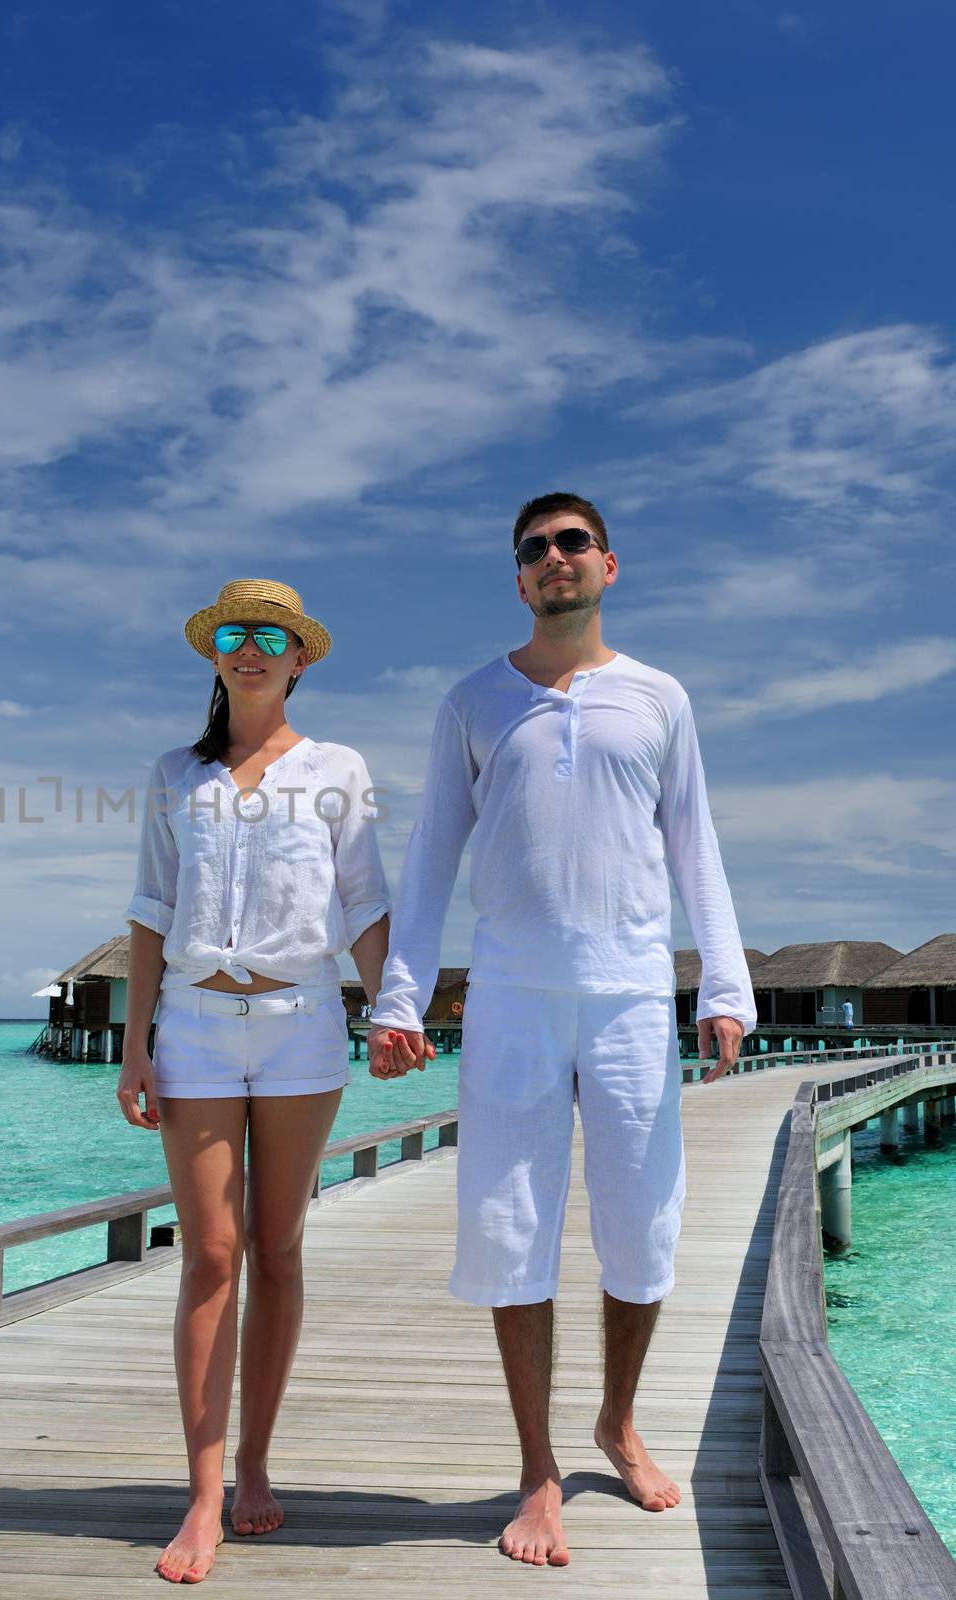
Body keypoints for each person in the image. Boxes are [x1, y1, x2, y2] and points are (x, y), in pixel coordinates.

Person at [368, 494, 756, 1570]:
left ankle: (616, 1422)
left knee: (641, 1227)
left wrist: (723, 984)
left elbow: (696, 847)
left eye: (570, 543)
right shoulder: (473, 701)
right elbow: (430, 855)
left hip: (632, 992)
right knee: (508, 1229)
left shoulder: (659, 697)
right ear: (519, 578)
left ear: (607, 565)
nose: (552, 559)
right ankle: (537, 1468)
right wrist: (398, 998)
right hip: (510, 995)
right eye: (533, 550)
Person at [118, 579, 391, 1584]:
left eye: (268, 636)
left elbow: (363, 900)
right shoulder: (173, 774)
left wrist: (392, 1011)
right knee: (210, 1253)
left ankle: (256, 1466)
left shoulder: (335, 770)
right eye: (232, 635)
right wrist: (135, 1040)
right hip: (191, 1025)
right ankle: (198, 1496)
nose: (249, 650)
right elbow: (151, 907)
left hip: (299, 1026)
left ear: (298, 657)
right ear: (214, 654)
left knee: (276, 1249)